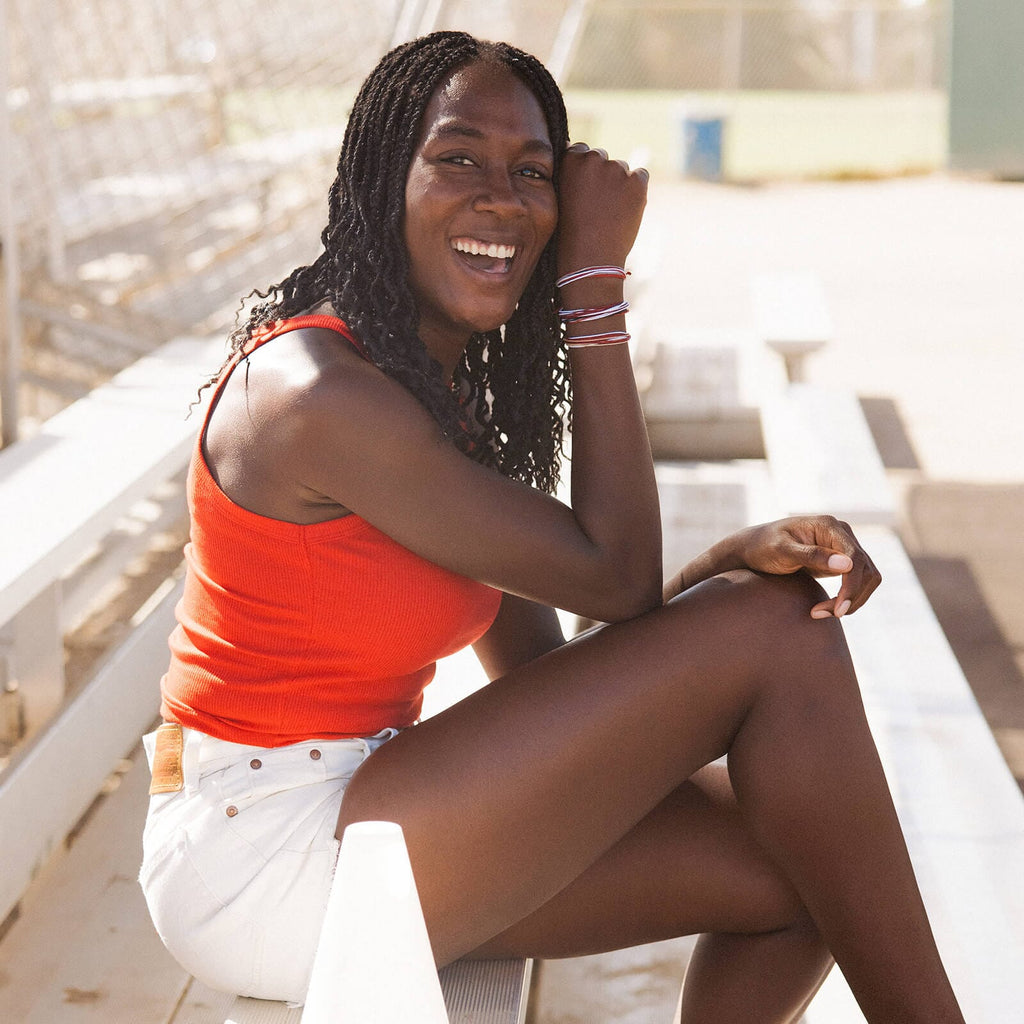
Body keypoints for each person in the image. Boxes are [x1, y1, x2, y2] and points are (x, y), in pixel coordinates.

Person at [139, 30, 966, 1023]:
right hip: (260, 848)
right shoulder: (319, 394)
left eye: (531, 171)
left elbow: (547, 670)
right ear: (382, 180)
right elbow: (617, 580)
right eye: (458, 158)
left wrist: (722, 566)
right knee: (778, 629)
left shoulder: (428, 398)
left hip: (363, 811)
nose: (501, 197)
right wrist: (592, 291)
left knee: (808, 872)